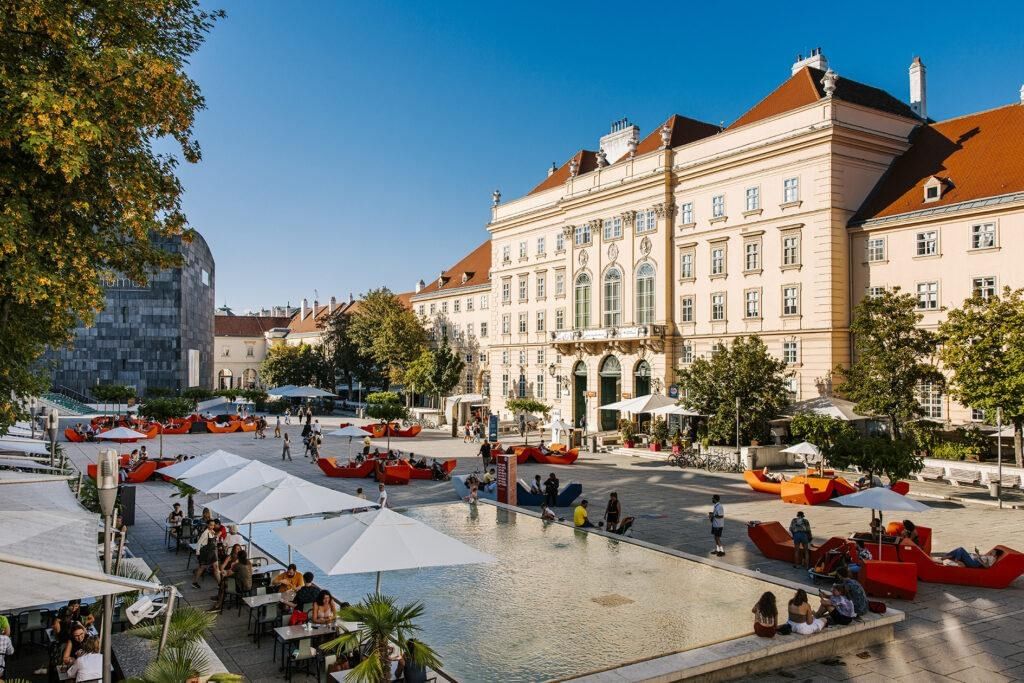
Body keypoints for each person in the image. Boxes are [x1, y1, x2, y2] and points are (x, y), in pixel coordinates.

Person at [192, 520, 219, 588]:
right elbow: (199, 543)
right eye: (210, 525)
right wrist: (197, 553)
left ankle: (220, 583)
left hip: (212, 552)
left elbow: (214, 541)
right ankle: (194, 582)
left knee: (216, 567)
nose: (212, 526)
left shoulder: (212, 531)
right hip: (206, 552)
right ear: (207, 525)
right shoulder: (205, 533)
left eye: (213, 525)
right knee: (202, 567)